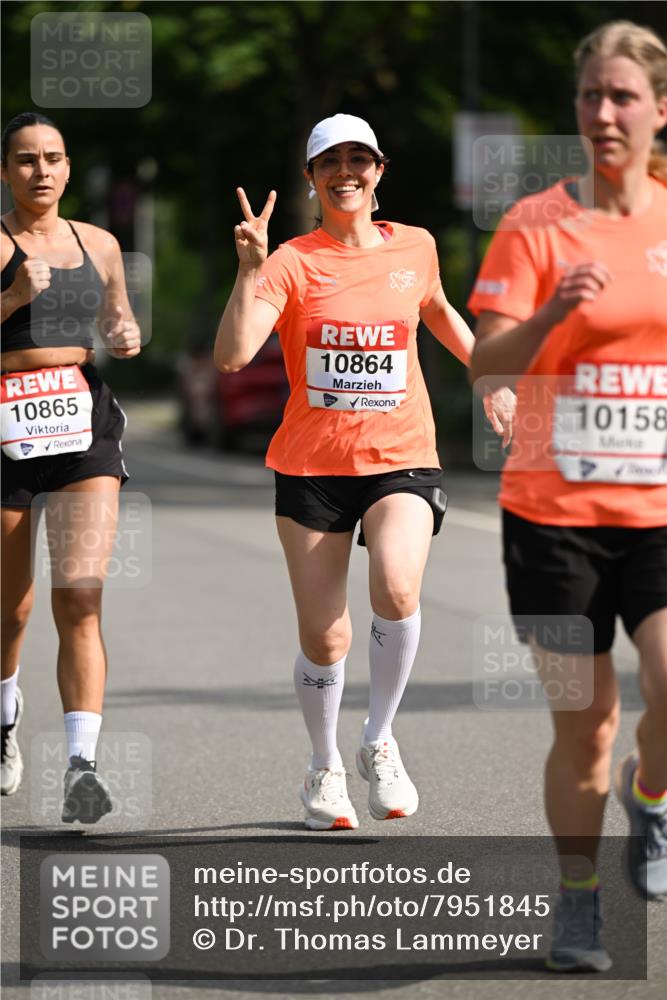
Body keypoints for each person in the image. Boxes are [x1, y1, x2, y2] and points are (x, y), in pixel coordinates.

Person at [215, 113, 513, 831]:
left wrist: (487, 376)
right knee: (326, 639)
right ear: (311, 177)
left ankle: (378, 738)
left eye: (361, 159)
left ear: (379, 171)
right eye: (331, 162)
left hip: (401, 455)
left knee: (397, 583)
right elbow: (233, 354)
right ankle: (323, 767)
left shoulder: (415, 244)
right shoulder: (290, 260)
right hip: (311, 466)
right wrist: (249, 268)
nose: (346, 172)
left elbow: (437, 309)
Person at [468, 20, 667, 972]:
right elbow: (484, 361)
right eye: (590, 95)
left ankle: (654, 796)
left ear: (659, 111)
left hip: (660, 510)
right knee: (581, 725)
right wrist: (551, 313)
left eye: (622, 95)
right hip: (551, 517)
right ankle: (580, 900)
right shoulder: (534, 224)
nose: (603, 112)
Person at [0, 112, 141, 823]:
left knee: (79, 596)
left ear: (68, 165)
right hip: (4, 427)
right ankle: (4, 714)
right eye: (26, 160)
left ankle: (81, 767)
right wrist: (15, 298)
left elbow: (117, 320)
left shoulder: (101, 243)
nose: (41, 171)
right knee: (11, 605)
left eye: (52, 158)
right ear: (5, 171)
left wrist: (124, 329)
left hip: (80, 420)